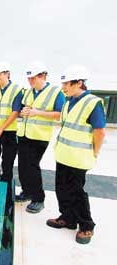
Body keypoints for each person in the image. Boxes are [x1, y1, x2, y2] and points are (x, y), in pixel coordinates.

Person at [47, 65, 106, 244]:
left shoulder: (92, 103)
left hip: (79, 158)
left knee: (76, 192)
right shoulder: (67, 102)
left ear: (79, 83)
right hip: (64, 155)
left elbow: (100, 131)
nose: (63, 87)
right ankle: (68, 218)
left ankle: (87, 226)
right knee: (62, 189)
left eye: (67, 84)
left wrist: (95, 152)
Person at [16, 62, 65, 213]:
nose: (30, 81)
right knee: (23, 166)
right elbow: (24, 109)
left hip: (39, 136)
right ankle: (26, 192)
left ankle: (38, 198)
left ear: (43, 76)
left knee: (32, 167)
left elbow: (60, 115)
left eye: (33, 79)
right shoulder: (29, 92)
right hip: (24, 134)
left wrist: (37, 113)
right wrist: (23, 112)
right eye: (29, 79)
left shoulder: (55, 92)